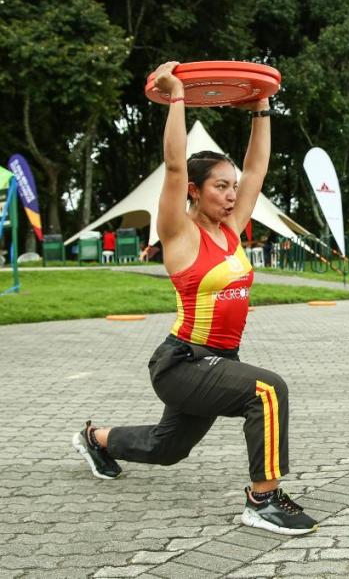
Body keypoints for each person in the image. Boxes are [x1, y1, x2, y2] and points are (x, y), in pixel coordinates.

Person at [71, 61, 317, 535]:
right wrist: (177, 96)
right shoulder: (178, 234)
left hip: (218, 361)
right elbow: (175, 164)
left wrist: (261, 106)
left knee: (169, 449)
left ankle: (95, 438)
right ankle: (262, 499)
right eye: (220, 187)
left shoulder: (232, 229)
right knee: (268, 390)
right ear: (194, 192)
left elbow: (256, 168)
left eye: (232, 188)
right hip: (182, 364)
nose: (231, 195)